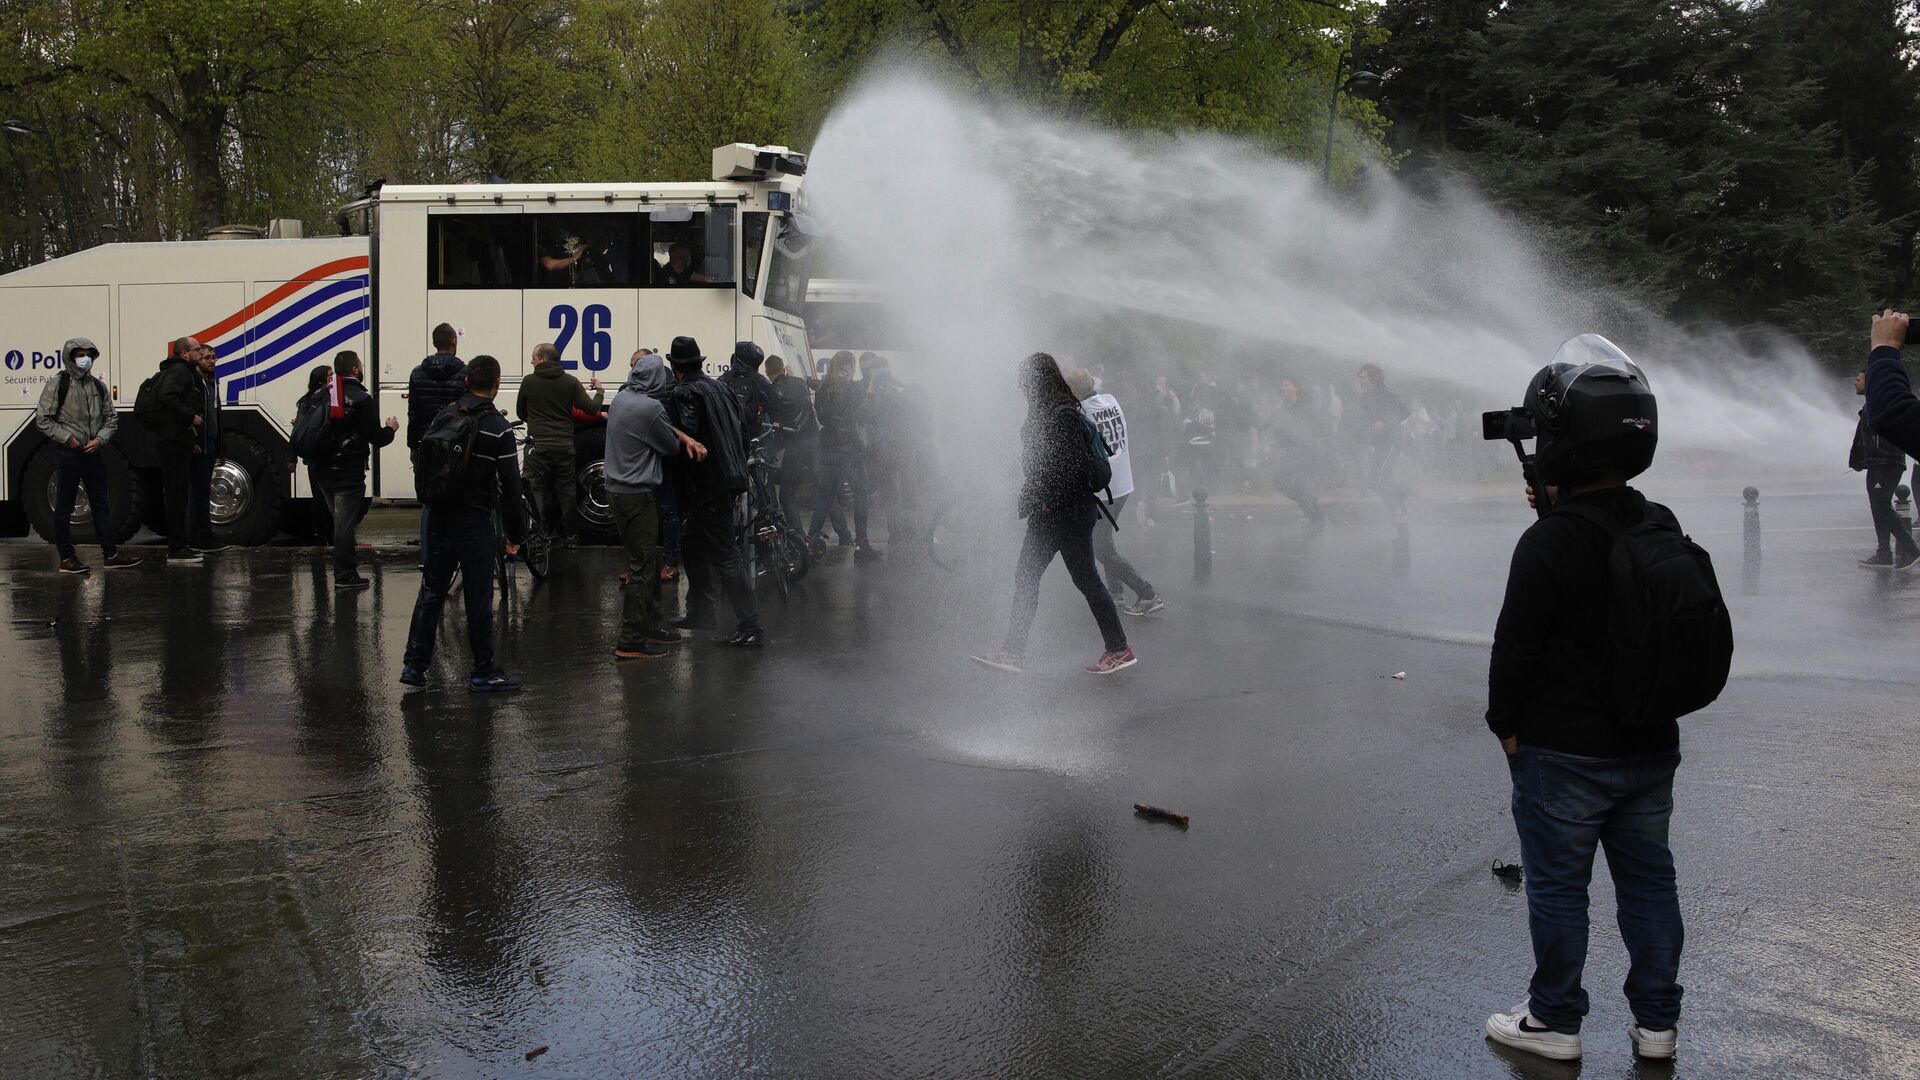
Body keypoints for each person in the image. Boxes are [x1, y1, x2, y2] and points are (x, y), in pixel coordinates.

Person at [1484, 342, 1693, 1064]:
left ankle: (1555, 1021)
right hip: (1649, 745)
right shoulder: (1658, 522)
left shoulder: (1548, 544)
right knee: (1648, 884)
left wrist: (1507, 733)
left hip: (1563, 755)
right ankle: (1658, 1025)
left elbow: (1514, 655)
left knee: (1558, 890)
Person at [971, 353, 1137, 676]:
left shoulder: (1059, 416)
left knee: (1037, 577)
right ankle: (1117, 648)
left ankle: (1015, 652)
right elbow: (1044, 463)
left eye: (1025, 380)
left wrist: (1046, 501)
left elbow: (1070, 468)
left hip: (1060, 515)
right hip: (1066, 513)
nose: (1021, 387)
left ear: (1038, 382)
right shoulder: (1058, 411)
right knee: (1075, 580)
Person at [401, 355, 529, 692]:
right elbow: (511, 489)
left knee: (432, 589)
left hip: (438, 514)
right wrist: (517, 533)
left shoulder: (445, 414)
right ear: (497, 385)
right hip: (473, 519)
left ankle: (414, 665)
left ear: (466, 381)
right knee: (477, 595)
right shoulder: (497, 428)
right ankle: (483, 670)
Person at [605, 352, 707, 659]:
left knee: (644, 561)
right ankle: (630, 640)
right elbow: (669, 445)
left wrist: (679, 433)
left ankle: (649, 625)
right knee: (643, 568)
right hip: (637, 495)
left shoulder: (623, 398)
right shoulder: (650, 408)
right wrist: (687, 439)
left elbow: (659, 427)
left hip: (618, 490)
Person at [664, 336, 763, 646]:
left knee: (725, 555)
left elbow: (689, 441)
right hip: (729, 477)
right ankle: (701, 610)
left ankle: (750, 627)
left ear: (674, 366)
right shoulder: (722, 387)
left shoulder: (683, 392)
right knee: (692, 545)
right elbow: (744, 431)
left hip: (708, 484)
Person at [34, 337, 140, 572]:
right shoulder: (57, 384)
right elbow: (43, 419)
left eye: (88, 354)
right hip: (68, 454)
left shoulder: (98, 386)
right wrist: (68, 439)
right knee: (64, 507)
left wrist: (100, 439)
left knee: (101, 505)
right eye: (80, 354)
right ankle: (66, 557)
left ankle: (110, 554)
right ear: (70, 358)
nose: (85, 359)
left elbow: (111, 417)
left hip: (93, 453)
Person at [1066, 367, 1163, 615]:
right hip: (1122, 485)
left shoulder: (1080, 414)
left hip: (1103, 491)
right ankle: (1116, 594)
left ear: (1074, 392)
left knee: (1102, 548)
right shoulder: (1111, 401)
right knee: (1105, 541)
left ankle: (1147, 593)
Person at [313, 350, 399, 588]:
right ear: (354, 370)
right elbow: (376, 437)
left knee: (339, 521)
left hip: (322, 470)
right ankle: (344, 575)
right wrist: (391, 428)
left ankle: (344, 570)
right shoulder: (362, 398)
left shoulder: (322, 394)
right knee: (344, 524)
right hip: (348, 470)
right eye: (359, 365)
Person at [516, 342, 602, 546]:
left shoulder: (529, 381)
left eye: (534, 357)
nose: (531, 361)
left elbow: (521, 412)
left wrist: (537, 419)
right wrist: (599, 391)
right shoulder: (570, 382)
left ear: (543, 359)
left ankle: (539, 533)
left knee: (535, 487)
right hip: (564, 446)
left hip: (539, 446)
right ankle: (570, 536)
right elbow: (591, 409)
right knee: (567, 491)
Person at [408, 324, 467, 564]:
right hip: (457, 444)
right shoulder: (464, 372)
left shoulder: (417, 373)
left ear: (434, 343)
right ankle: (460, 556)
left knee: (429, 501)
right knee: (460, 498)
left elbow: (413, 414)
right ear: (454, 341)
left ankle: (427, 557)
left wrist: (413, 446)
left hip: (427, 443)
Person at [810, 351, 876, 558]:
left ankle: (810, 540)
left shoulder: (822, 388)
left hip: (828, 448)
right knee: (861, 496)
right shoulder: (854, 389)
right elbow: (864, 416)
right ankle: (861, 543)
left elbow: (821, 416)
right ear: (848, 367)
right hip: (850, 449)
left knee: (826, 497)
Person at [1850, 366, 1917, 568]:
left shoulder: (1879, 406)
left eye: (1859, 379)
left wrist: (1868, 458)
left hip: (1885, 463)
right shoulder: (1873, 406)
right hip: (1878, 463)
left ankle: (1911, 549)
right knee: (1878, 506)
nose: (1855, 382)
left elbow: (1881, 438)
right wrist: (1860, 461)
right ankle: (1883, 553)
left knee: (1881, 505)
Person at [150, 337, 207, 564]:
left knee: (179, 494)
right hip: (172, 443)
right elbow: (168, 397)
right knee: (176, 495)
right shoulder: (180, 372)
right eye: (197, 349)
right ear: (185, 354)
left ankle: (180, 544)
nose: (201, 352)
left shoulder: (181, 371)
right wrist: (190, 416)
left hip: (178, 440)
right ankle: (176, 548)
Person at [765, 354, 825, 534]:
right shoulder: (799, 383)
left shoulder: (772, 391)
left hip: (793, 448)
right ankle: (844, 534)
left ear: (767, 372)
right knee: (824, 491)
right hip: (813, 442)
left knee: (787, 496)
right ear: (783, 368)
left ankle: (798, 536)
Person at [1269, 376, 1328, 527]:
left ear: (1296, 387)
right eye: (1283, 385)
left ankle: (1316, 515)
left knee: (1299, 484)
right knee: (1280, 481)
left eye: (1287, 385)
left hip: (1304, 451)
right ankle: (1310, 506)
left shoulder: (1304, 405)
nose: (1284, 388)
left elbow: (1313, 427)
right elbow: (1282, 426)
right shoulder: (1285, 405)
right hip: (1291, 450)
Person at [1354, 362, 1409, 519]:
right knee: (1383, 481)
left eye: (1363, 377)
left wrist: (1384, 422)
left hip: (1391, 443)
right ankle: (1397, 511)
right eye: (1359, 377)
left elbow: (1404, 412)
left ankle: (1401, 497)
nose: (1360, 380)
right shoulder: (1364, 398)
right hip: (1379, 445)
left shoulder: (1385, 395)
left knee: (1375, 481)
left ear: (1373, 378)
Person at [718, 341, 772, 443]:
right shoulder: (760, 381)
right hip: (753, 439)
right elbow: (775, 406)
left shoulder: (722, 380)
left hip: (726, 440)